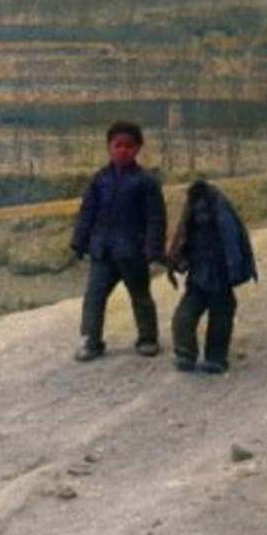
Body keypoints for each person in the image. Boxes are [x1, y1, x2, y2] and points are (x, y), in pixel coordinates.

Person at [70, 120, 167, 361]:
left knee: (140, 296)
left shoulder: (146, 182)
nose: (122, 150)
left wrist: (153, 249)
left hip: (132, 252)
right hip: (102, 251)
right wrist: (79, 242)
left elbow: (156, 218)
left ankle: (148, 338)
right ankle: (90, 341)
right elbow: (87, 213)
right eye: (117, 145)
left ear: (138, 149)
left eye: (128, 146)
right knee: (94, 297)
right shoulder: (99, 180)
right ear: (109, 147)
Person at [166, 179, 258, 374]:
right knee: (183, 317)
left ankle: (215, 358)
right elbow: (181, 239)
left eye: (203, 213)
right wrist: (176, 261)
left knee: (221, 319)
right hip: (198, 275)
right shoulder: (192, 214)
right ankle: (185, 353)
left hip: (220, 276)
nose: (201, 216)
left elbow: (231, 240)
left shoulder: (220, 211)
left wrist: (234, 269)